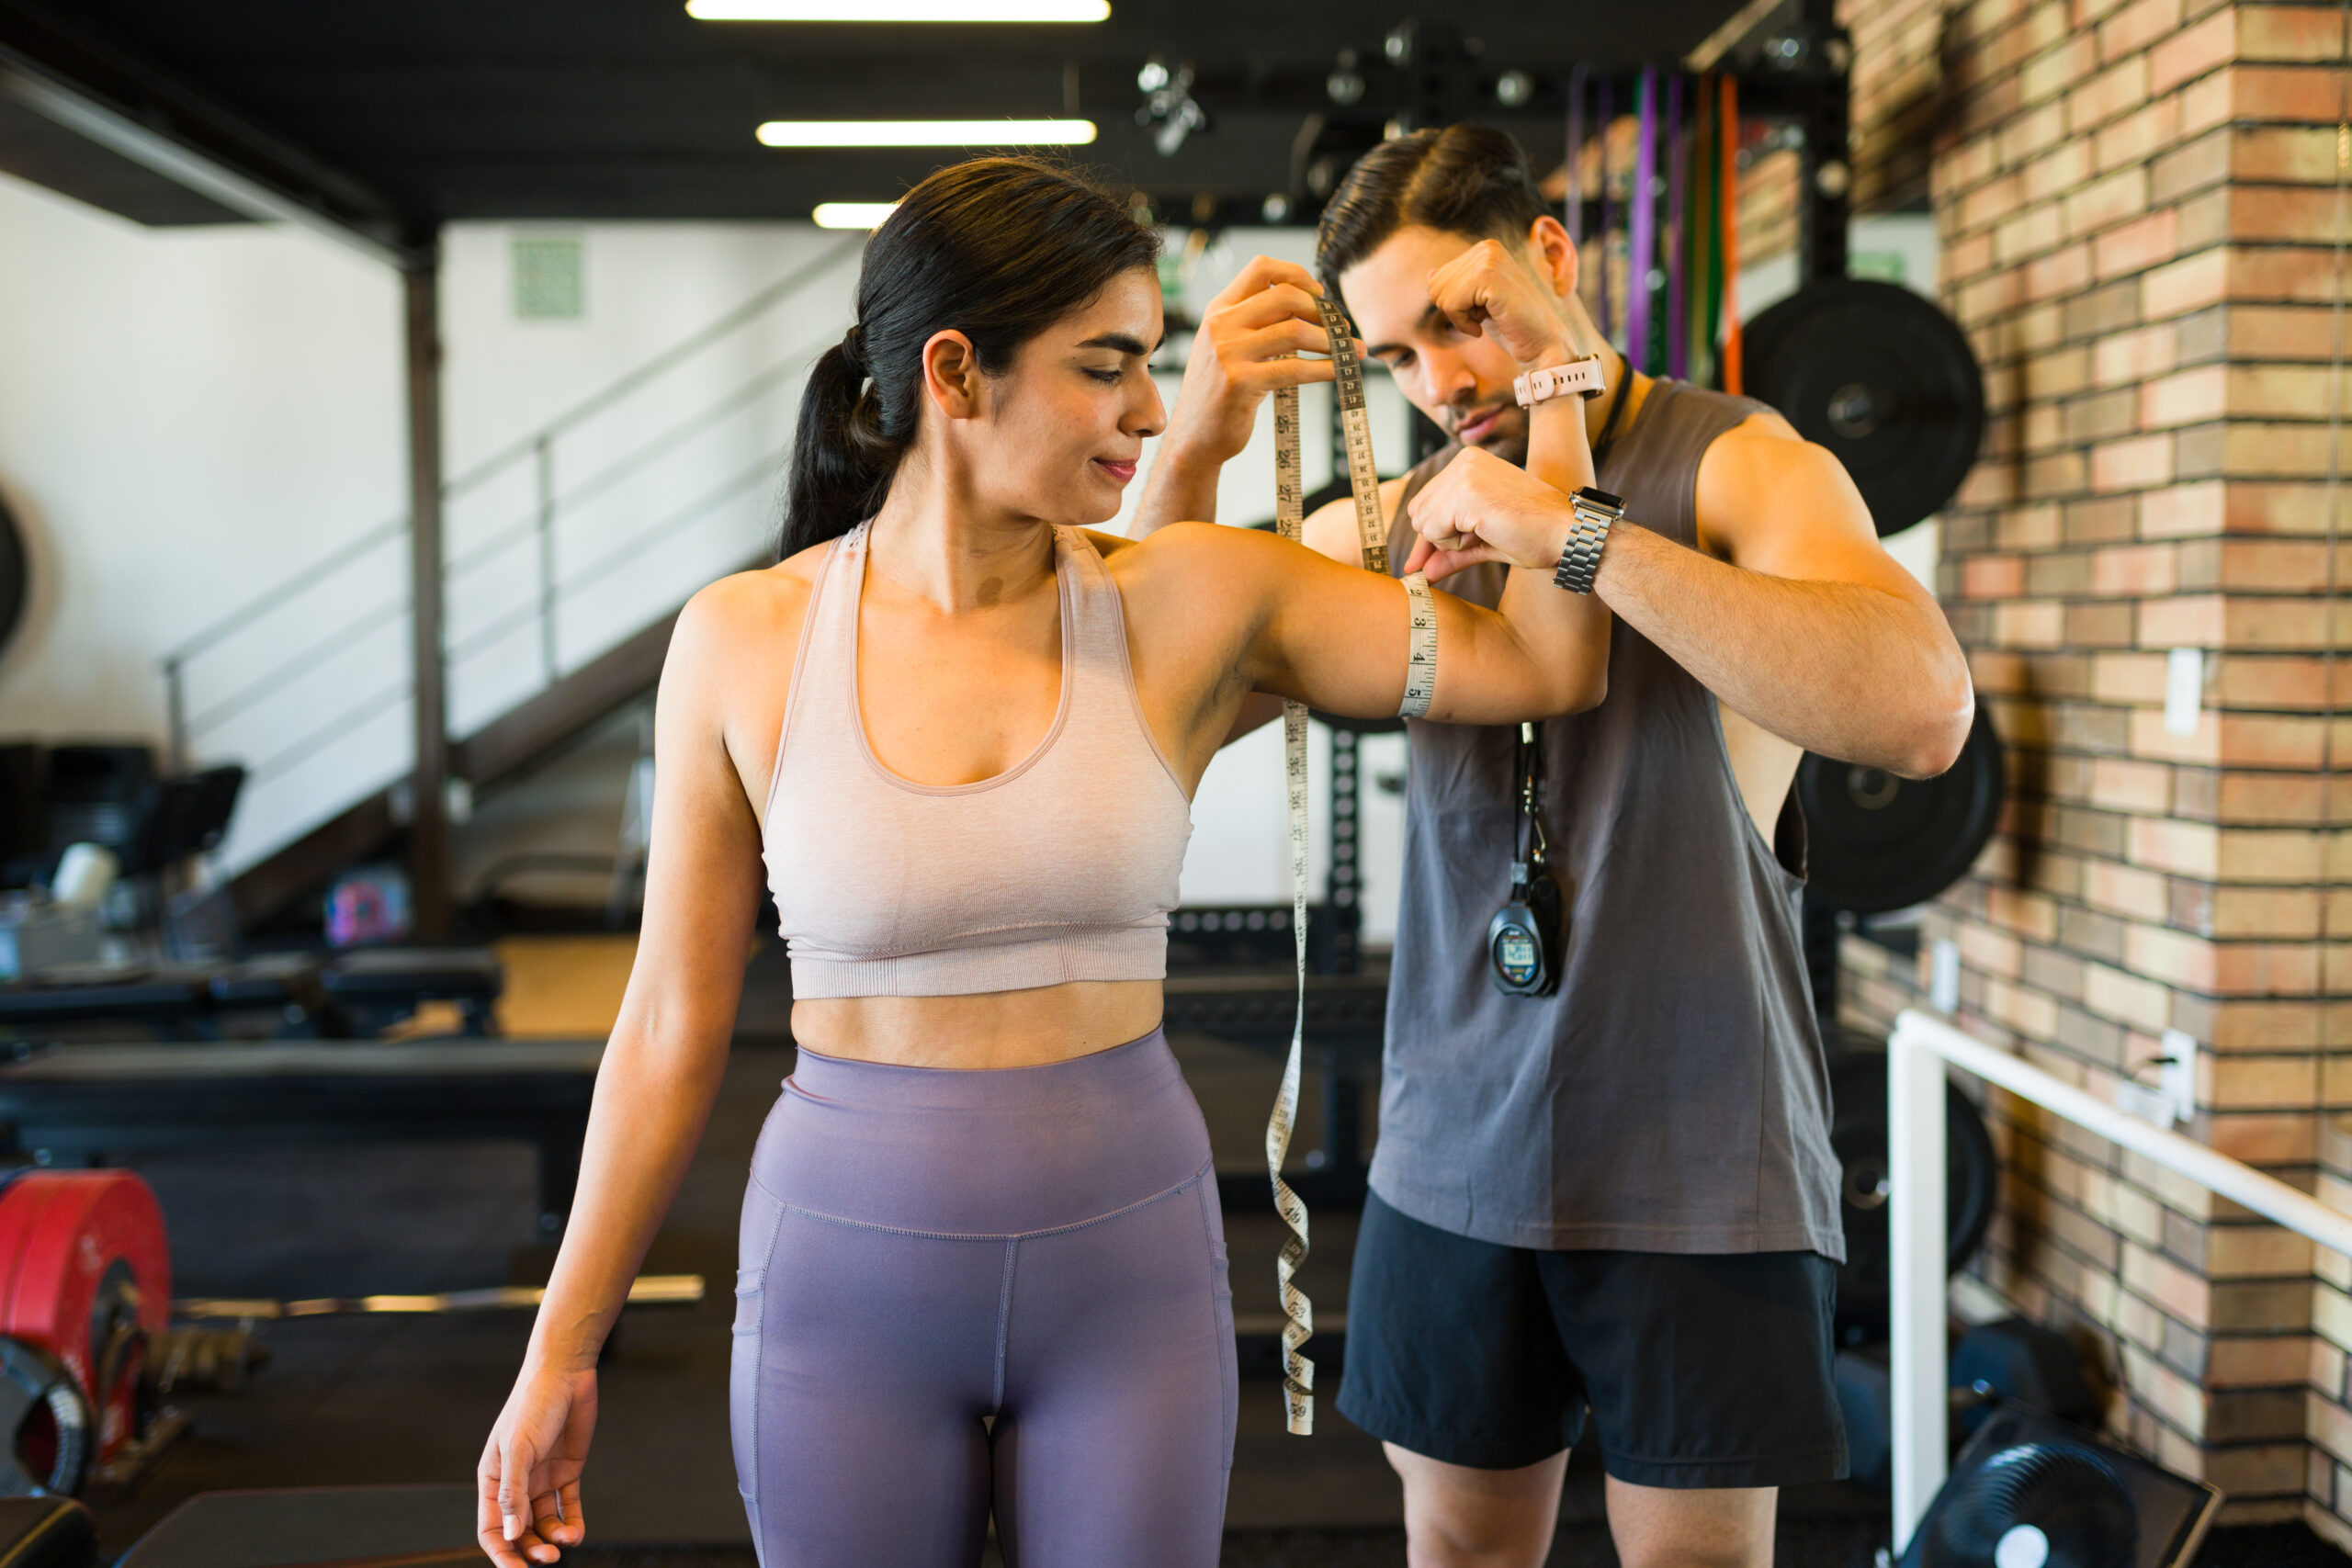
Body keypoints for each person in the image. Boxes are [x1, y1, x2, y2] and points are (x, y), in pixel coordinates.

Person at [475, 154, 1613, 1568]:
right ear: (957, 373)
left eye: (1154, 365)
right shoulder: (743, 640)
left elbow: (1551, 667)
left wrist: (1555, 379)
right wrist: (559, 1349)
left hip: (1127, 1281)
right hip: (843, 1288)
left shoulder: (1195, 600)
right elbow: (665, 1023)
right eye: (1106, 366)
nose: (1151, 406)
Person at [1132, 125, 1974, 1568]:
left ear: (1549, 257)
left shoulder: (1739, 464)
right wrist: (1200, 434)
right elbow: (1150, 679)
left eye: (1459, 320)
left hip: (1702, 1168)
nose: (1440, 382)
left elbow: (1922, 714)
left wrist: (1572, 535)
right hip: (1455, 1158)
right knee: (1460, 1550)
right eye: (1398, 355)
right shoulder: (1407, 516)